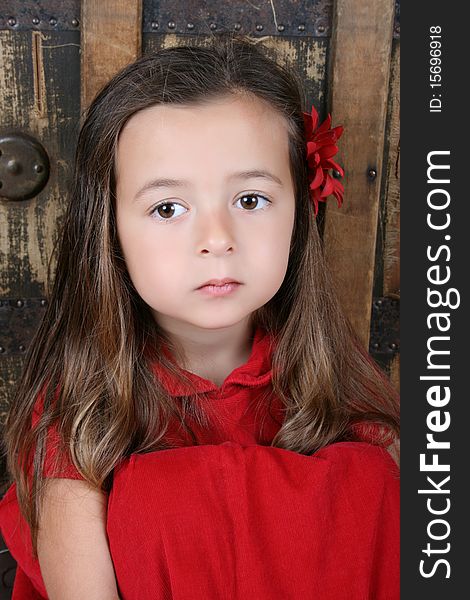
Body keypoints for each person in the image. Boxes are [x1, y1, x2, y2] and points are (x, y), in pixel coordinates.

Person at [0, 33, 399, 599]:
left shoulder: (338, 374)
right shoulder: (82, 406)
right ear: (109, 229)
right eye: (168, 208)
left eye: (251, 199)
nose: (217, 240)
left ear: (298, 216)